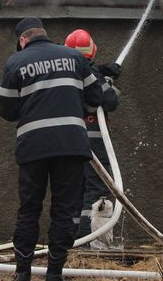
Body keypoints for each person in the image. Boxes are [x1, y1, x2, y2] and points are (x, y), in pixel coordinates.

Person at [0, 17, 104, 281]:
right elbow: (96, 97)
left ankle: (22, 273)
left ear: (23, 40)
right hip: (71, 146)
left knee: (29, 209)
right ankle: (54, 273)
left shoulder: (15, 62)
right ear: (44, 34)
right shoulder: (74, 58)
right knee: (65, 210)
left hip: (33, 148)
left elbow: (7, 110)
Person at [63, 29, 121, 243]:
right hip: (94, 142)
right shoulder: (93, 76)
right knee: (96, 186)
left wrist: (101, 70)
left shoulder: (67, 74)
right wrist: (107, 82)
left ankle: (74, 236)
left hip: (71, 140)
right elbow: (110, 101)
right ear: (92, 51)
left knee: (75, 188)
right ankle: (89, 238)